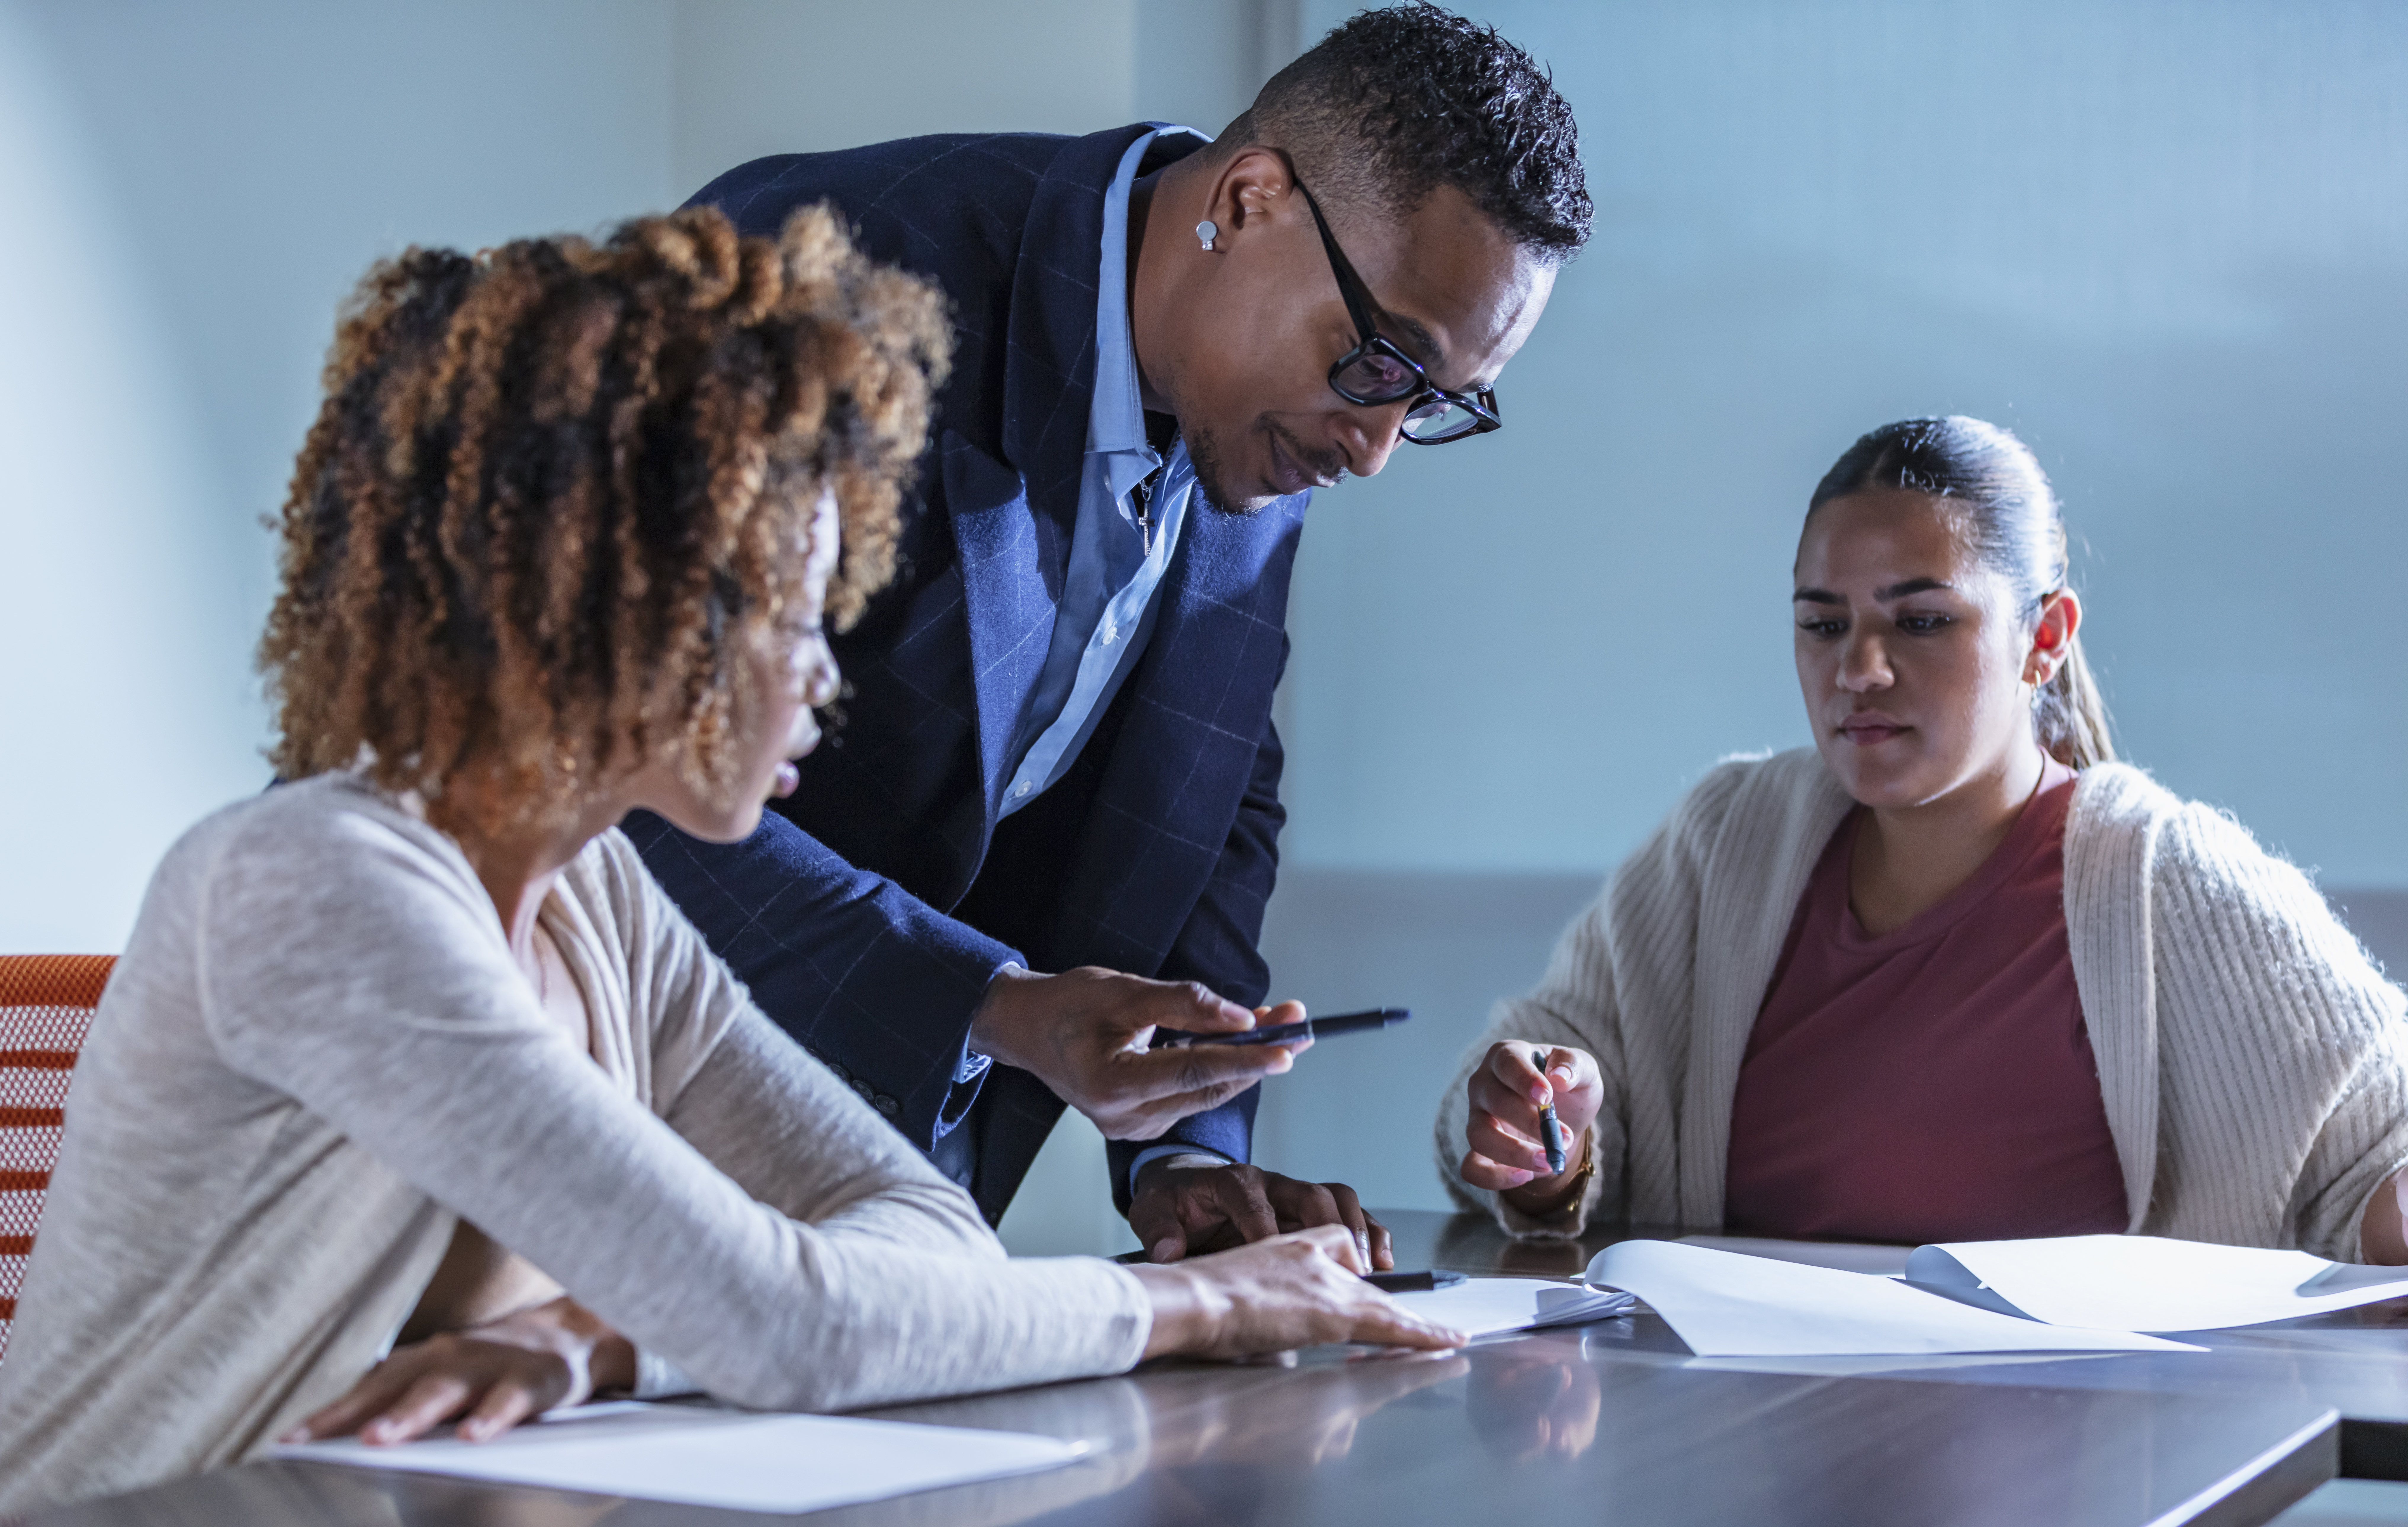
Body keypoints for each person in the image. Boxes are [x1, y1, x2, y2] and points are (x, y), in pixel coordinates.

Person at [0, 208, 1458, 1515]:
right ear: (611, 602)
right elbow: (787, 1317)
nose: (825, 678)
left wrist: (596, 1339)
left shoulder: (596, 901)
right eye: (790, 614)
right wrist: (1204, 1311)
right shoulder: (315, 883)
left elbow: (923, 1228)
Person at [633, 3, 1590, 1264]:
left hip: (876, 1227)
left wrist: (1187, 1154)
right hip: (591, 1145)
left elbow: (1207, 798)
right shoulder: (811, 287)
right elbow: (610, 780)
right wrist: (993, 1006)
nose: (1373, 451)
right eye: (1378, 364)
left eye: (1436, 405)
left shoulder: (1259, 417)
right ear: (1250, 201)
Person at [1439, 416, 2408, 1259]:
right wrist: (1535, 1141)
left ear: (2044, 639)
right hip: (1735, 1450)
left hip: (2092, 1453)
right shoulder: (1725, 840)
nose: (1859, 668)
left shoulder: (2167, 885)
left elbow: (2381, 1155)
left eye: (1922, 622)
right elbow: (1512, 1117)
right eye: (1823, 627)